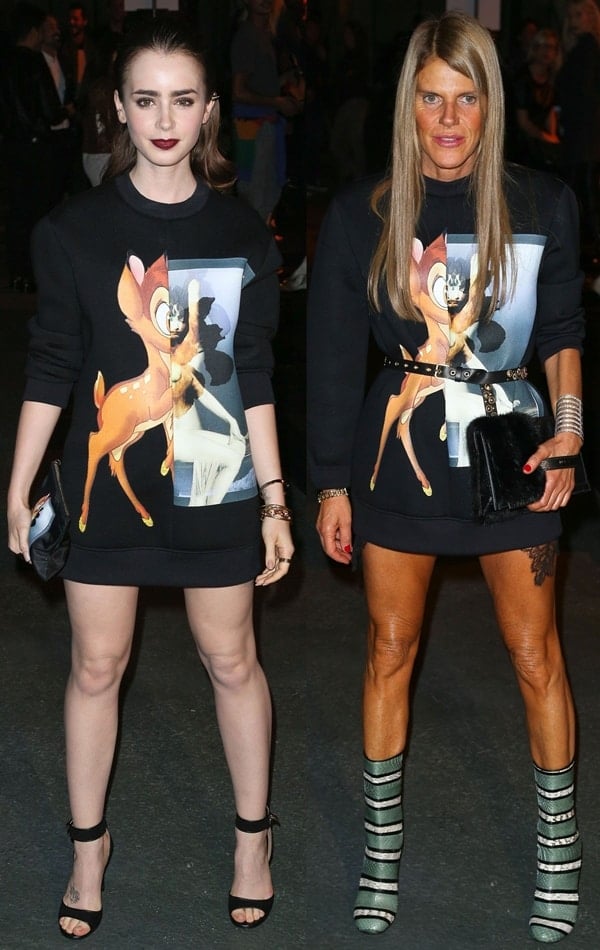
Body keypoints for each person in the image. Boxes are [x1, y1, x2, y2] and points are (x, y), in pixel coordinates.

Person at [7, 14, 294, 940]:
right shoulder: (76, 231)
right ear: (120, 111)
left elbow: (253, 374)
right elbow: (53, 363)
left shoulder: (244, 235)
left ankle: (254, 840)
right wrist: (17, 487)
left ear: (210, 111)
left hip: (216, 486)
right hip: (107, 485)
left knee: (232, 658)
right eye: (145, 100)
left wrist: (278, 499)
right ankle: (89, 847)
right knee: (96, 665)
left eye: (183, 100)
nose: (164, 119)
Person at [307, 11, 585, 945]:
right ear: (410, 105)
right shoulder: (366, 213)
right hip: (401, 459)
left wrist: (572, 439)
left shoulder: (542, 202)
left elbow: (561, 335)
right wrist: (330, 483)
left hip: (517, 458)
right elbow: (336, 356)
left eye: (467, 98)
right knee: (390, 651)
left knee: (535, 654)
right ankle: (382, 854)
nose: (451, 117)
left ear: (490, 104)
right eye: (433, 98)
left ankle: (559, 854)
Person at [0, 1, 66, 291]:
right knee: (40, 212)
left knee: (16, 212)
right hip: (36, 147)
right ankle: (36, 274)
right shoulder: (33, 61)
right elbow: (50, 109)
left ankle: (17, 272)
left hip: (10, 147)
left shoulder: (4, 61)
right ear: (33, 30)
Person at [230, 0, 301, 223]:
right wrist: (277, 102)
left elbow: (259, 85)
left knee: (267, 195)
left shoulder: (265, 35)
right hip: (252, 128)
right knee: (255, 198)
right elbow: (238, 92)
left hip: (265, 124)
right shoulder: (247, 36)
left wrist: (283, 82)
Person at [556, 0, 600, 249]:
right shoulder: (582, 48)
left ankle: (590, 251)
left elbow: (583, 94)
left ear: (591, 17)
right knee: (584, 192)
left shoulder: (588, 48)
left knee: (584, 194)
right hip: (580, 134)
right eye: (571, 15)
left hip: (584, 134)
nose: (574, 20)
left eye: (579, 14)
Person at [512, 27, 562, 172]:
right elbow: (523, 122)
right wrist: (547, 138)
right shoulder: (523, 78)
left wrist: (552, 137)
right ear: (535, 49)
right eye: (543, 46)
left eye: (551, 47)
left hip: (539, 145)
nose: (547, 51)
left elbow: (549, 113)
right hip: (521, 146)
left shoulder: (552, 80)